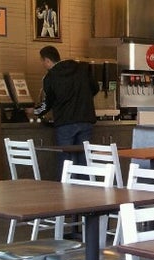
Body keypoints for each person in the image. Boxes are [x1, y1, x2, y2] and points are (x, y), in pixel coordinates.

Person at [34, 46, 98, 174]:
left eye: (42, 61)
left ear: (47, 60)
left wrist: (35, 112)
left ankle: (66, 191)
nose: (42, 64)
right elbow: (95, 88)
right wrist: (82, 100)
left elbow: (47, 103)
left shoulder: (50, 77)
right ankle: (84, 191)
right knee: (84, 159)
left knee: (65, 160)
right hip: (86, 120)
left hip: (65, 123)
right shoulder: (82, 68)